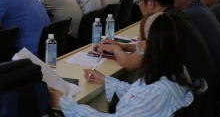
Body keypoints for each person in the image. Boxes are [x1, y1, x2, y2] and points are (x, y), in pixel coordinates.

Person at [94, 0, 216, 115]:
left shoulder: (163, 25)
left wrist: (115, 48)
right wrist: (123, 46)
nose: (139, 5)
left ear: (151, 3)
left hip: (193, 101)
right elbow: (150, 46)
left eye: (139, 1)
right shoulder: (174, 18)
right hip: (194, 92)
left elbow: (129, 64)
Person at [50, 13, 193, 116]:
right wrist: (106, 80)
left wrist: (65, 104)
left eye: (143, 41)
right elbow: (138, 95)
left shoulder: (156, 93)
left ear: (152, 46)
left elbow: (145, 97)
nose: (140, 46)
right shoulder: (178, 71)